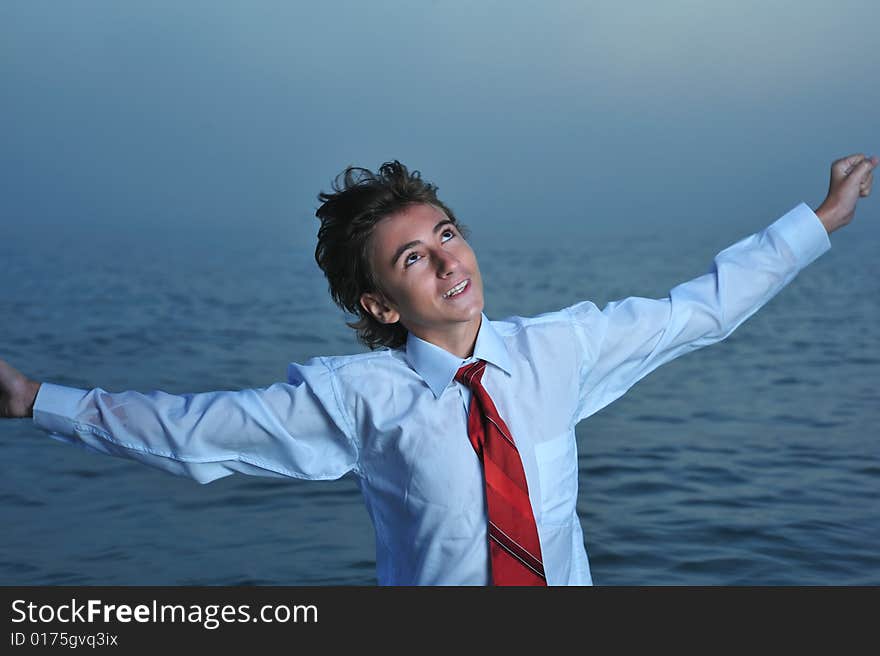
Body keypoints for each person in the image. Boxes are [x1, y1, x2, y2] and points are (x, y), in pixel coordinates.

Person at [1, 154, 876, 585]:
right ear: (381, 305)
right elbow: (195, 434)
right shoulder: (354, 398)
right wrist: (37, 400)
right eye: (413, 258)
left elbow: (702, 309)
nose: (447, 262)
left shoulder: (558, 350)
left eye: (446, 234)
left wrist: (824, 219)